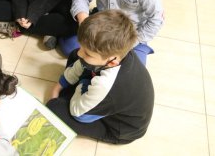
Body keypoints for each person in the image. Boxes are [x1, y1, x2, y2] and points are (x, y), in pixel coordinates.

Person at [47, 10, 155, 144]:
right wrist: (59, 86)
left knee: (54, 109)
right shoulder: (117, 53)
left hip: (119, 129)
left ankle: (80, 95)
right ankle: (81, 94)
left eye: (87, 53)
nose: (81, 53)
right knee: (75, 56)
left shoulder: (105, 85)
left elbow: (78, 113)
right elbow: (80, 61)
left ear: (112, 61)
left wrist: (84, 83)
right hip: (109, 96)